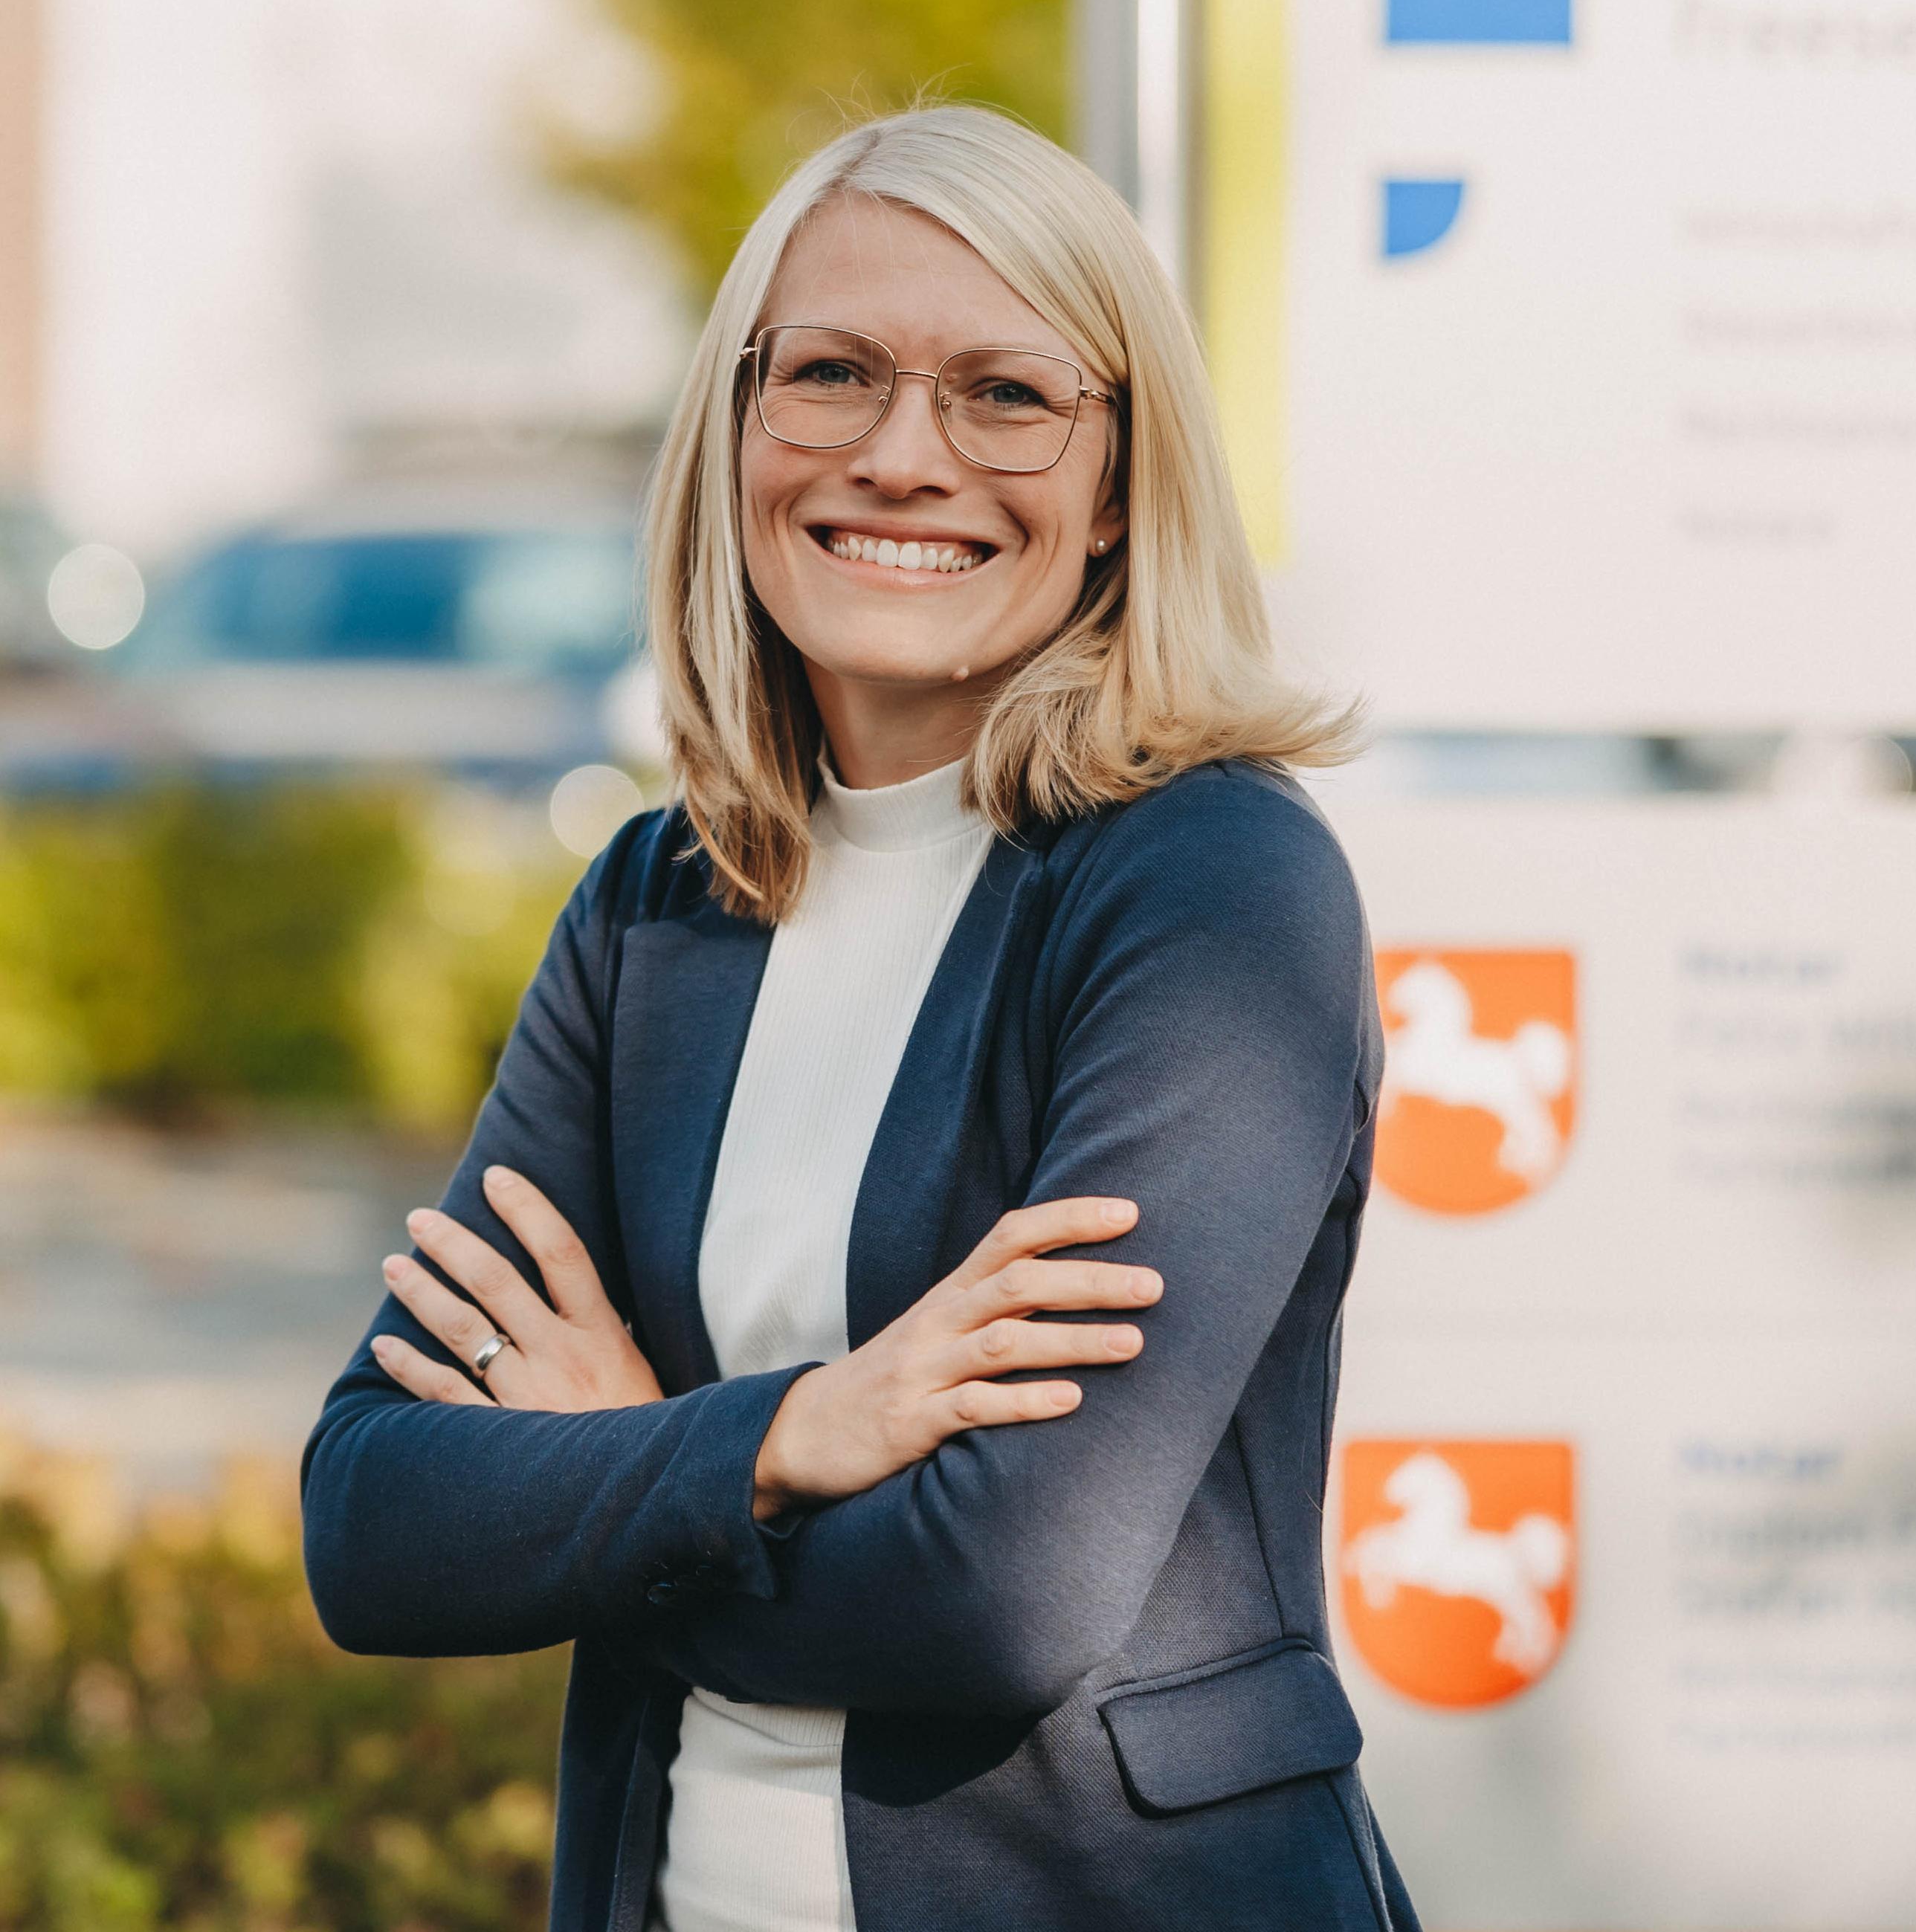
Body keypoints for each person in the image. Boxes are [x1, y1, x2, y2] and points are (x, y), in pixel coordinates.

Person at [300, 105, 1420, 1932]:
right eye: (830, 372)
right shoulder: (662, 898)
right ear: (738, 424)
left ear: (1119, 485)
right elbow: (375, 1518)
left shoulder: (1209, 883)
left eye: (1005, 395)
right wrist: (785, 1433)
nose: (903, 456)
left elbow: (1005, 1588)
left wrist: (621, 1471)